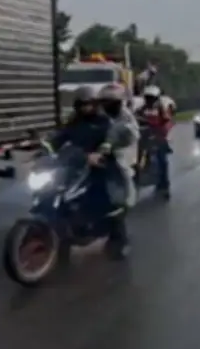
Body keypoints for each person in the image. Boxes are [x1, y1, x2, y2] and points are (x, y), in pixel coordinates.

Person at [47, 86, 130, 259]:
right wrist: (44, 148)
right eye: (82, 105)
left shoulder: (104, 122)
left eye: (89, 104)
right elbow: (59, 138)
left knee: (111, 199)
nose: (86, 108)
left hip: (101, 165)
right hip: (76, 166)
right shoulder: (73, 123)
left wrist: (104, 150)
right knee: (57, 192)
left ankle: (119, 240)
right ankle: (62, 237)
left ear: (95, 104)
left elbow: (113, 137)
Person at [98, 83, 140, 209]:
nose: (108, 104)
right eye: (105, 101)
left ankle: (128, 198)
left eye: (111, 101)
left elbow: (133, 133)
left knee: (122, 167)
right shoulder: (98, 113)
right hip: (98, 146)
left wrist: (112, 142)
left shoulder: (125, 115)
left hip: (121, 147)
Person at [135, 85, 172, 197]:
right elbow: (134, 117)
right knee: (136, 159)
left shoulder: (161, 108)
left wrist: (159, 125)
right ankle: (136, 180)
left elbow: (167, 119)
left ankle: (164, 185)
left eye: (151, 98)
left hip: (158, 137)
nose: (149, 100)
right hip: (144, 137)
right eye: (147, 97)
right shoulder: (142, 108)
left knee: (162, 161)